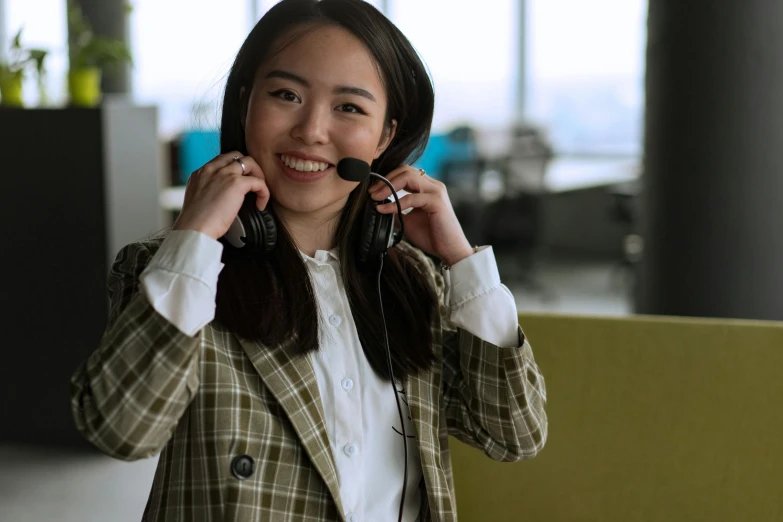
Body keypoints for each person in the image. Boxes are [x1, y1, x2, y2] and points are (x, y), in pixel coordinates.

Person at [69, 0, 547, 521]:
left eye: (349, 107)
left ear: (385, 135)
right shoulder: (170, 270)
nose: (312, 130)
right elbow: (121, 429)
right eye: (286, 95)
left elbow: (515, 435)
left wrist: (460, 260)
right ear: (247, 103)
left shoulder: (414, 280)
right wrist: (196, 236)